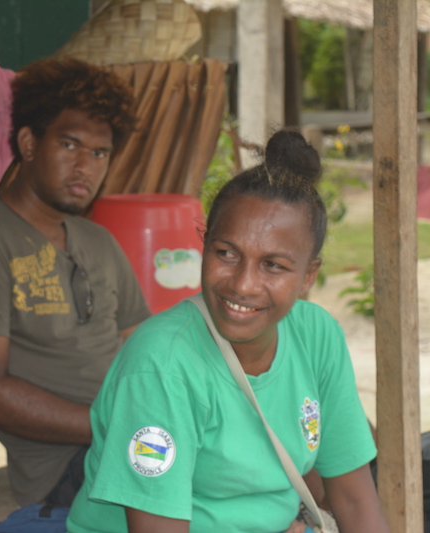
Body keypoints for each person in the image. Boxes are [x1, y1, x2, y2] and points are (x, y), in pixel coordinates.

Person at [66, 130, 389, 533]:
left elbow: (355, 499)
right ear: (204, 246)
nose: (243, 284)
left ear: (309, 275)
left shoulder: (317, 336)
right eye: (226, 253)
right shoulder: (162, 365)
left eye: (273, 265)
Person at [0, 57, 151, 507]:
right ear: (29, 143)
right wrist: (110, 424)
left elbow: (147, 351)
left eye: (100, 152)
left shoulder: (99, 241)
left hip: (132, 447)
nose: (86, 165)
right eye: (70, 145)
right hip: (71, 472)